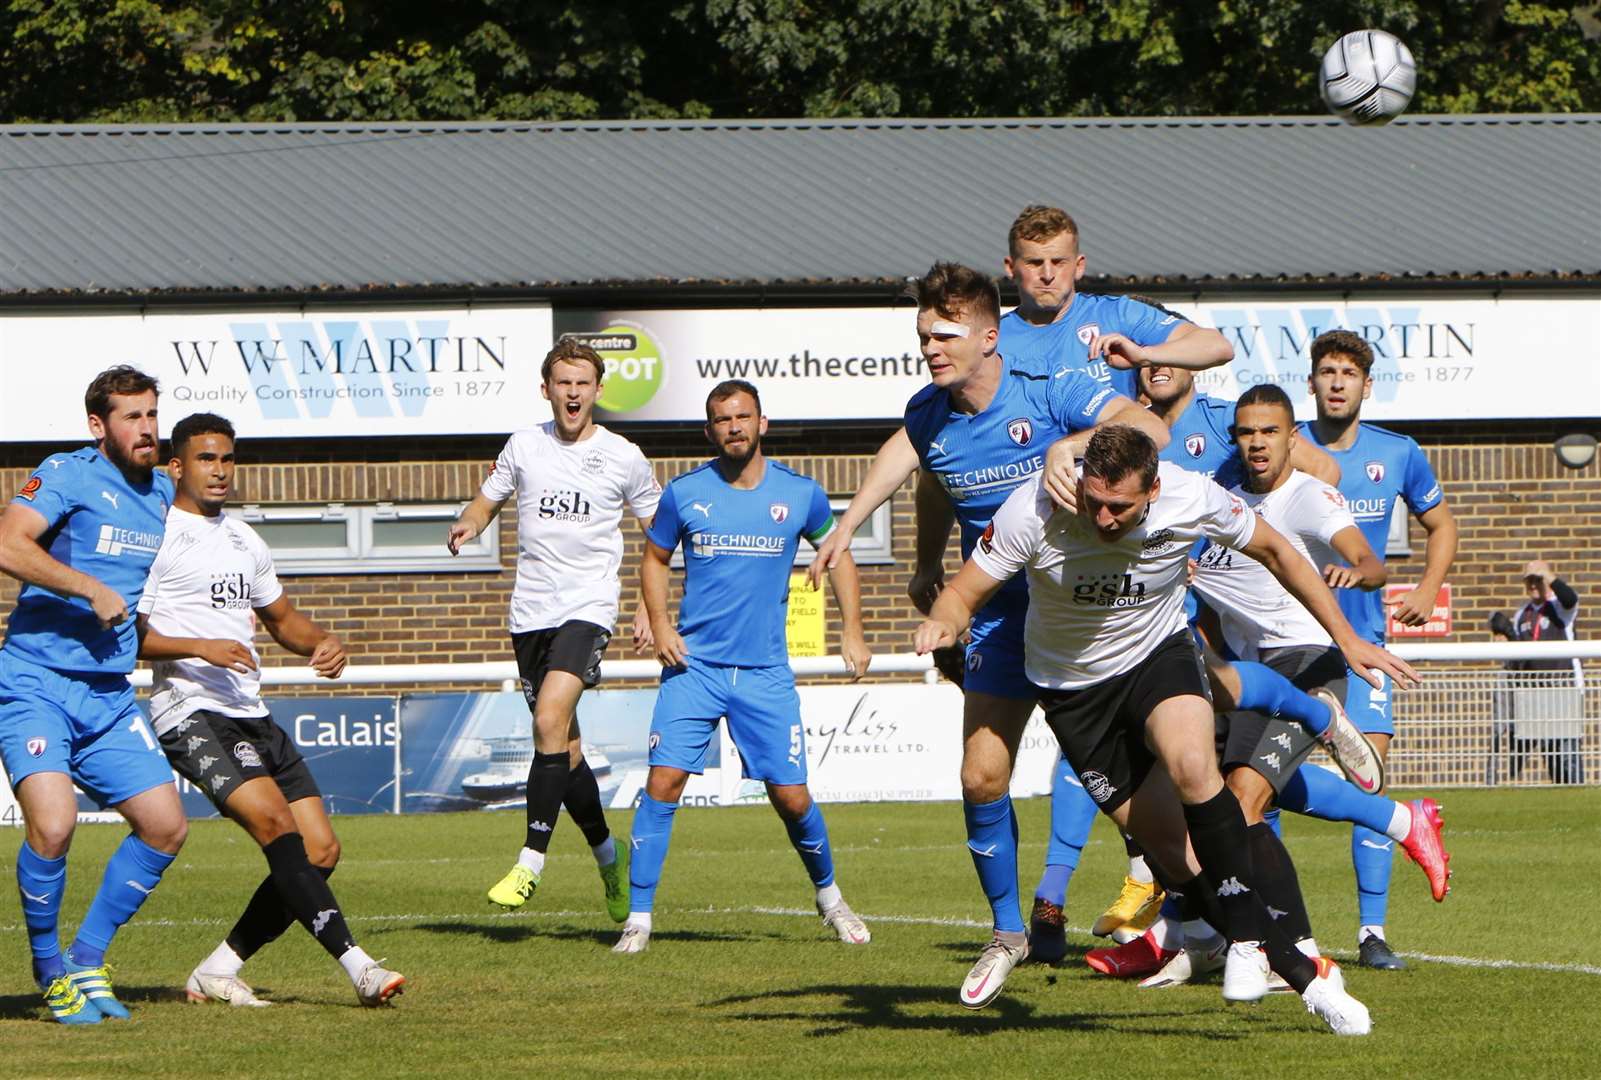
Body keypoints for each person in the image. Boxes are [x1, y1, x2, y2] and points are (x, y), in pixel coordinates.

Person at [917, 424, 1418, 1033]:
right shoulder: (1038, 507)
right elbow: (962, 592)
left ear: (1154, 490)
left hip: (1158, 656)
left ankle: (1245, 949)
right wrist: (943, 624)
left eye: (1119, 507)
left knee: (1192, 764)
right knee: (1177, 858)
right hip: (1074, 693)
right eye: (1093, 502)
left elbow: (1279, 551)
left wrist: (1346, 637)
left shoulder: (1192, 495)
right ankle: (1308, 977)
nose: (1102, 518)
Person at [812, 260, 1173, 993]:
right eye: (922, 337)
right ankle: (1008, 930)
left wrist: (1064, 448)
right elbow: (914, 467)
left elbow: (1145, 425)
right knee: (981, 776)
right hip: (1000, 617)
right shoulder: (929, 413)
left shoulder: (1048, 388)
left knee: (1145, 785)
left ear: (986, 335)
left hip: (1088, 613)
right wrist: (856, 529)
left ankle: (1213, 907)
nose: (930, 348)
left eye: (943, 335)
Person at [1129, 385, 1451, 989]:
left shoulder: (1309, 499)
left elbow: (1368, 557)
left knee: (1243, 805)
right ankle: (1403, 822)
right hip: (1247, 673)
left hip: (1307, 664)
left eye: (1269, 432)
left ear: (1291, 437)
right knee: (1212, 792)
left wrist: (1360, 570)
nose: (1256, 442)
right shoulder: (1224, 504)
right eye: (1246, 432)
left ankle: (1286, 950)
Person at [135, 412, 405, 1007]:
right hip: (190, 710)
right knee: (277, 828)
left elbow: (283, 621)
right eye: (207, 459)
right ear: (176, 466)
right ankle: (359, 966)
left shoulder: (242, 538)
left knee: (320, 850)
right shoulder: (156, 534)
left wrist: (323, 641)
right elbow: (130, 636)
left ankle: (218, 968)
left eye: (228, 458)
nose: (221, 470)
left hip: (252, 713)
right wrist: (199, 646)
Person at [615, 379, 873, 954]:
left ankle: (830, 899)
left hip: (764, 673)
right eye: (722, 420)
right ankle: (638, 919)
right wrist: (660, 625)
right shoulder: (685, 494)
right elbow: (654, 558)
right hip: (695, 669)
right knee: (664, 782)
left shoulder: (800, 494)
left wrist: (852, 631)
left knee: (793, 798)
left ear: (763, 423)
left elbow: (839, 555)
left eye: (743, 416)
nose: (733, 427)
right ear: (709, 431)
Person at [447, 339, 661, 919]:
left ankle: (529, 864)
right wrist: (466, 524)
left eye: (583, 383)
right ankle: (608, 857)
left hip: (587, 608)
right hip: (530, 614)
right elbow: (484, 503)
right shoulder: (523, 445)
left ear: (598, 390)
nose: (573, 393)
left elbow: (658, 535)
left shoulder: (624, 456)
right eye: (563, 383)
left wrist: (651, 607)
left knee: (547, 718)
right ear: (547, 389)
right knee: (564, 750)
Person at [0, 366, 187, 1024]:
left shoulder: (162, 492)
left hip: (108, 696)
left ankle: (87, 959)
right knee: (53, 826)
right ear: (97, 426)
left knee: (166, 826)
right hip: (36, 683)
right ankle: (51, 970)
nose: (145, 428)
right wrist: (87, 588)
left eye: (150, 415)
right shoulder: (68, 473)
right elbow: (6, 543)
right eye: (131, 417)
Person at [1299, 329, 1459, 970]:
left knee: (1370, 781)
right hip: (1293, 639)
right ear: (1310, 381)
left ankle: (1371, 933)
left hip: (1364, 645)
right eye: (1327, 371)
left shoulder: (1397, 453)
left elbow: (1441, 524)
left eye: (1348, 373)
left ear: (1367, 386)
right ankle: (1262, 928)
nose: (1337, 381)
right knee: (1255, 778)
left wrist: (1426, 584)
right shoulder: (1283, 446)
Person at [1491, 560, 1583, 783]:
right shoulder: (1523, 613)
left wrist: (1547, 575)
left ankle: (1573, 791)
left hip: (1563, 690)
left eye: (1537, 579)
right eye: (1529, 580)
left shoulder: (1560, 607)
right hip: (1534, 693)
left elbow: (1570, 598)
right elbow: (1519, 656)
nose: (1533, 585)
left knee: (1566, 751)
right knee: (1547, 750)